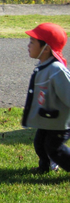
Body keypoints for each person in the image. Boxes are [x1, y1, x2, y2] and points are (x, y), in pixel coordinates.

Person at [22, 23, 70, 174]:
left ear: (46, 48)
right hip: (48, 119)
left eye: (32, 42)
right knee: (40, 144)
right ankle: (44, 167)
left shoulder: (56, 71)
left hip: (60, 123)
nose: (28, 45)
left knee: (54, 148)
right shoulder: (44, 65)